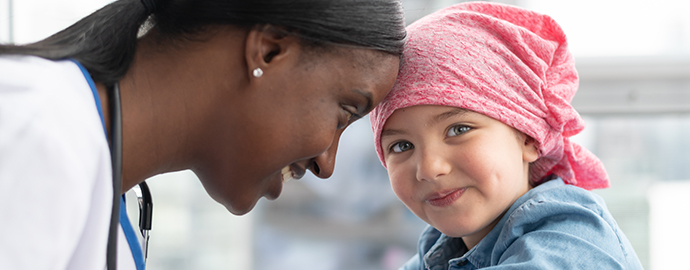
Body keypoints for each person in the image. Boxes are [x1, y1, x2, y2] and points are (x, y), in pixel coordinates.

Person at [0, 0, 406, 269]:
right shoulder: (38, 125)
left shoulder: (95, 171)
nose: (326, 165)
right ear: (268, 52)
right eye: (344, 112)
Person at [369, 2, 643, 269]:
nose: (429, 168)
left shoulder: (571, 244)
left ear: (528, 137)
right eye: (401, 145)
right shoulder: (442, 247)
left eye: (459, 130)